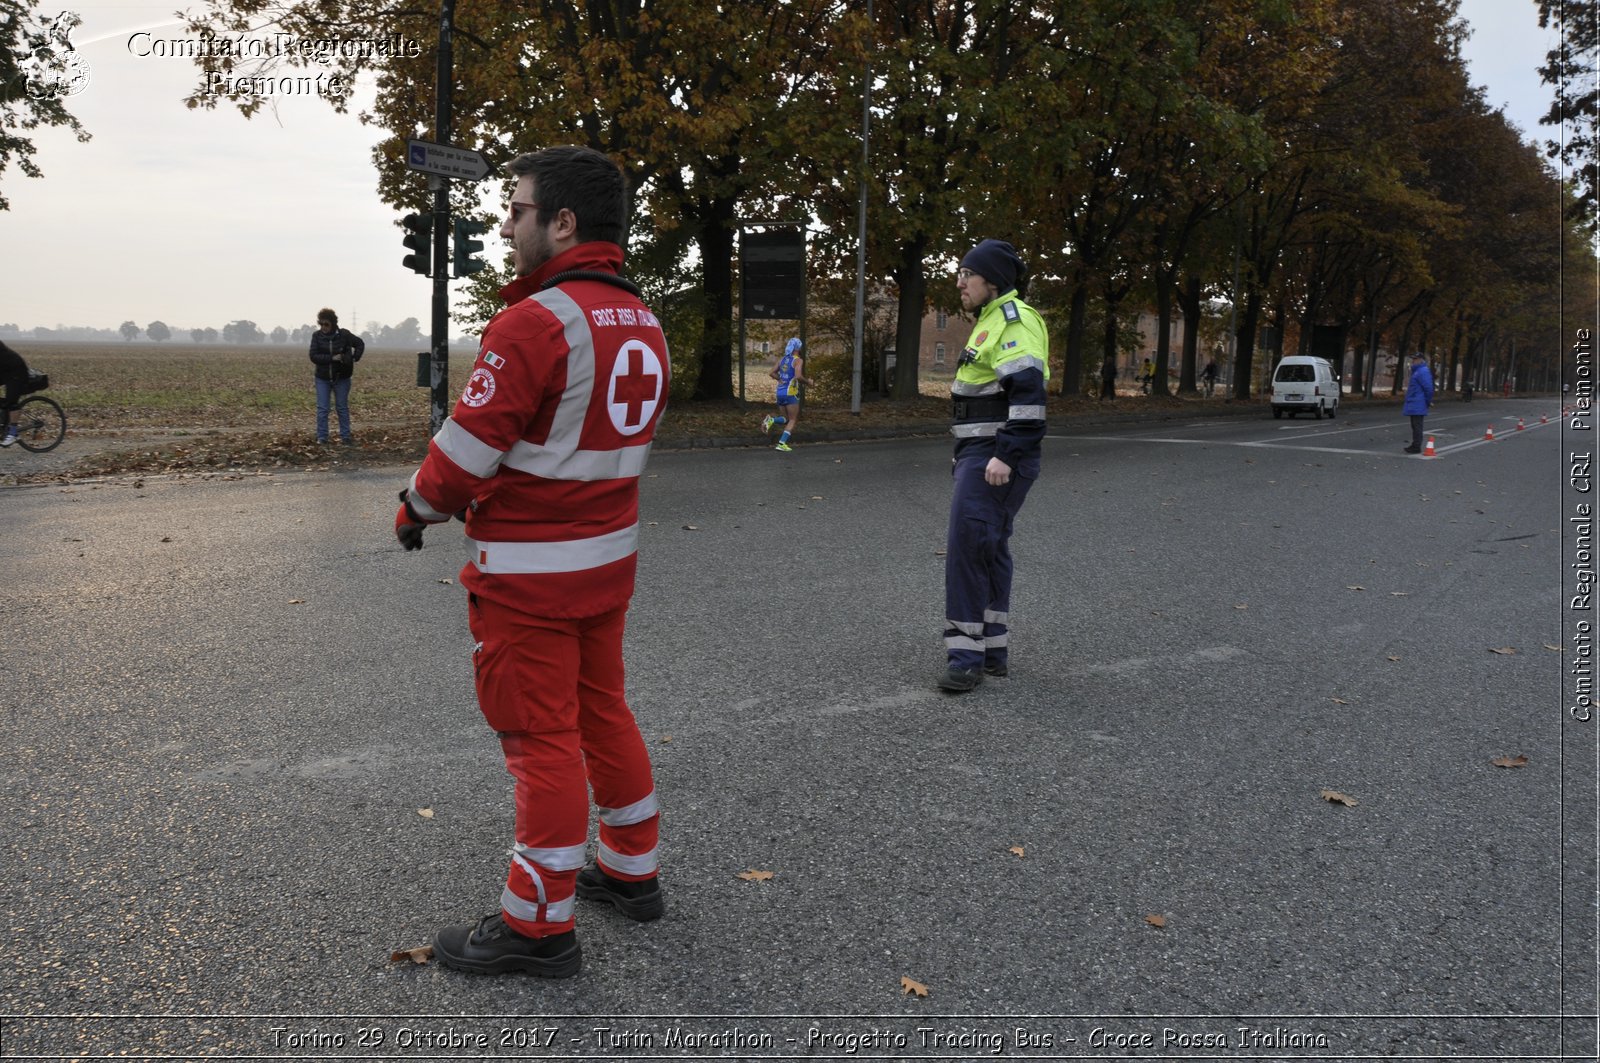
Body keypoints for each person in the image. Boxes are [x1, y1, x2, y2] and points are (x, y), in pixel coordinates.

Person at [394, 146, 669, 978]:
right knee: (603, 713)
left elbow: (467, 451)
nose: (505, 224)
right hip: (605, 567)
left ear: (563, 222)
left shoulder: (535, 322)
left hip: (530, 578)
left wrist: (415, 507)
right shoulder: (641, 320)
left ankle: (538, 925)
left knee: (541, 741)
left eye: (516, 211)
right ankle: (630, 869)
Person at [940, 239, 1049, 692]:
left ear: (992, 280)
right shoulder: (989, 321)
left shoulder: (1012, 320)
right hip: (981, 453)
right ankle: (992, 649)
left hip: (994, 456)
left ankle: (965, 657)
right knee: (988, 547)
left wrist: (1005, 453)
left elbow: (1027, 391)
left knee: (968, 548)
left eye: (968, 273)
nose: (960, 282)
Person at [307, 309, 364, 444]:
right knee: (323, 409)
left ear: (332, 323)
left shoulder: (344, 335)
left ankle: (345, 437)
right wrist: (332, 358)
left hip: (342, 378)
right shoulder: (317, 336)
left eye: (326, 324)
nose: (323, 327)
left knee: (342, 408)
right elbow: (313, 356)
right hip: (323, 378)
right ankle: (322, 438)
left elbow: (360, 344)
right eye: (321, 324)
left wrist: (354, 358)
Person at [762, 336, 811, 451]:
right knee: (793, 419)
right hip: (791, 393)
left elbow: (772, 373)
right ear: (798, 348)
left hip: (780, 392)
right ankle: (781, 443)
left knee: (786, 418)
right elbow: (798, 376)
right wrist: (808, 382)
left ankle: (771, 420)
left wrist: (780, 379)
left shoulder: (782, 359)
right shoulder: (798, 360)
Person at [0, 339, 31, 447]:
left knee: (11, 401)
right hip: (4, 371)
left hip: (16, 370)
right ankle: (3, 415)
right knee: (5, 403)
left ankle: (13, 433)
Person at [1402, 351, 1434, 454]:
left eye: (1415, 359)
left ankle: (1416, 446)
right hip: (1416, 402)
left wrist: (1428, 401)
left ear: (1421, 360)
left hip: (1418, 402)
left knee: (1417, 426)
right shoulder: (1418, 371)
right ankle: (1415, 445)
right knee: (1415, 425)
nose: (1413, 361)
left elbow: (1428, 388)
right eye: (1413, 359)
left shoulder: (1422, 371)